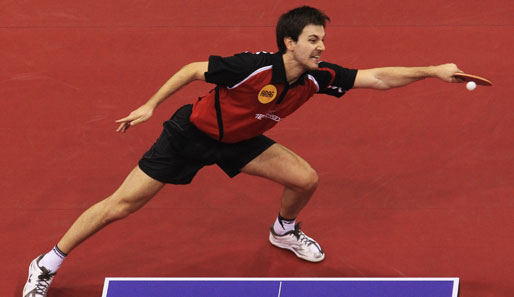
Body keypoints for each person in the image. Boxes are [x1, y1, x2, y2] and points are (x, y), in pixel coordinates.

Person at [22, 6, 463, 297]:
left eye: (323, 39)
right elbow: (195, 69)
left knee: (305, 178)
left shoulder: (318, 76)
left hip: (240, 142)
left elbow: (380, 78)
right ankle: (46, 262)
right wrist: (150, 105)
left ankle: (283, 231)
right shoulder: (252, 66)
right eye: (313, 39)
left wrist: (434, 71)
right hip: (189, 136)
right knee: (122, 203)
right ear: (289, 43)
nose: (322, 46)